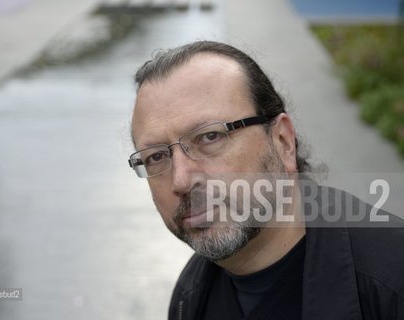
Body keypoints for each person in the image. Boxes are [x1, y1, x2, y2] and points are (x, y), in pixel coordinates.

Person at [127, 41, 404, 320]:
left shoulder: (392, 282)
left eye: (210, 137)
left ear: (283, 142)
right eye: (156, 157)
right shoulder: (190, 297)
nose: (181, 180)